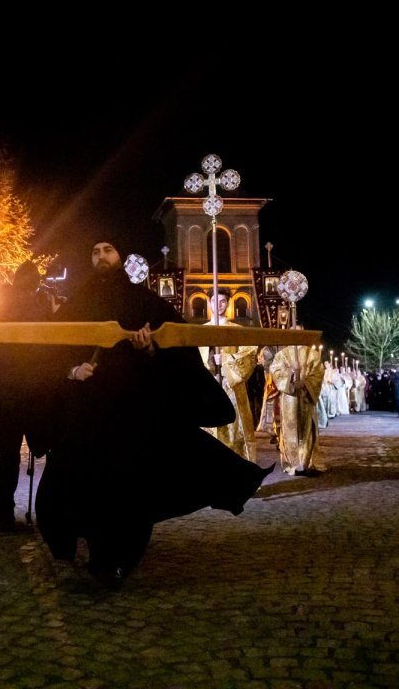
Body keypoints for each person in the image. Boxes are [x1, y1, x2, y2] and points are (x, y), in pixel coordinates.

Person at [33, 237, 273, 588]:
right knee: (66, 481)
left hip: (130, 416)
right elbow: (48, 356)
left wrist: (150, 352)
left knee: (127, 491)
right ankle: (64, 553)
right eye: (95, 251)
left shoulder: (148, 305)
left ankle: (112, 562)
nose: (101, 256)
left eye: (108, 249)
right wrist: (71, 371)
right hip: (83, 414)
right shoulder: (74, 307)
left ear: (120, 257)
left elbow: (179, 355)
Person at [0, 261, 49, 533]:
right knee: (8, 455)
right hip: (11, 394)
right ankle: (3, 511)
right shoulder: (35, 305)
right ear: (34, 282)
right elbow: (39, 350)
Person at [199, 288, 260, 462]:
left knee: (235, 434)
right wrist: (209, 363)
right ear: (209, 303)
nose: (218, 305)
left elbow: (249, 355)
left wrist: (225, 359)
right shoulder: (198, 331)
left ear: (228, 303)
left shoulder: (239, 330)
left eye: (223, 301)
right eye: (214, 301)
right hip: (208, 390)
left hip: (232, 389)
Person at [267, 341, 326, 476]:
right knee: (290, 430)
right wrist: (291, 375)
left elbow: (318, 373)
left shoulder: (312, 354)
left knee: (306, 430)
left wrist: (304, 383)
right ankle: (292, 463)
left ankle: (306, 462)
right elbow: (275, 371)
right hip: (289, 398)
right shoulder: (282, 355)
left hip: (305, 398)